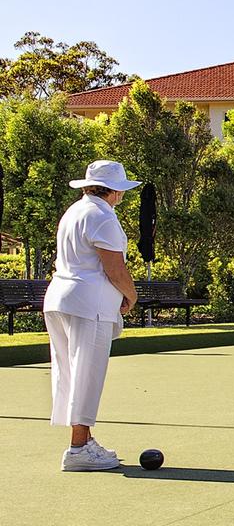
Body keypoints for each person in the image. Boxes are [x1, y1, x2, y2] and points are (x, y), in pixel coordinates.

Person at [43, 160, 141, 471]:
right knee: (87, 374)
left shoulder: (74, 212)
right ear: (115, 192)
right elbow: (114, 269)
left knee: (69, 373)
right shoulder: (103, 217)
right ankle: (78, 449)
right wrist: (132, 294)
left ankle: (84, 441)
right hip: (89, 303)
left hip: (59, 297)